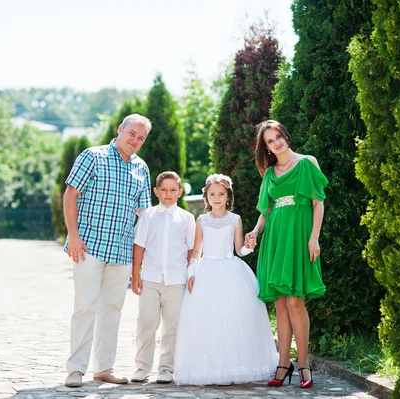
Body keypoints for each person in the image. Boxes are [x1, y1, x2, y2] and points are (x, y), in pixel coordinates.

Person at [63, 114, 152, 387]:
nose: (135, 140)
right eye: (131, 134)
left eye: (141, 138)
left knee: (112, 309)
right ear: (120, 130)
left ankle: (103, 368)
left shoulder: (142, 168)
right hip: (89, 245)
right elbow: (70, 194)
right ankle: (75, 370)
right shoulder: (93, 156)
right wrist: (73, 235)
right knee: (85, 306)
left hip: (123, 250)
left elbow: (144, 213)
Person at [245, 120, 328, 389]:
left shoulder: (307, 163)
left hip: (300, 236)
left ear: (286, 135)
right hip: (276, 239)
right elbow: (265, 211)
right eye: (270, 141)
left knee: (295, 301)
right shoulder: (270, 173)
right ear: (266, 147)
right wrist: (255, 232)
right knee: (280, 304)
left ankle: (303, 364)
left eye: (278, 136)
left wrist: (314, 237)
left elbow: (318, 203)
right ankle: (283, 364)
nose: (276, 142)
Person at [173, 174, 278, 386]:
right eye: (212, 194)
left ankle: (233, 366)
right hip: (207, 272)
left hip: (232, 271)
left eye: (221, 194)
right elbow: (196, 251)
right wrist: (191, 273)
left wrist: (249, 246)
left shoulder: (235, 219)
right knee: (209, 320)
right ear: (207, 197)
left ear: (228, 195)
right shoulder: (201, 220)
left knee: (232, 319)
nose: (217, 198)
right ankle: (212, 367)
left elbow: (239, 250)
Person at [130, 171, 196, 384]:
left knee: (172, 326)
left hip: (176, 280)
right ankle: (142, 367)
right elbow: (139, 245)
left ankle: (167, 369)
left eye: (173, 190)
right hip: (150, 277)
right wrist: (135, 274)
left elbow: (191, 250)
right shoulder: (147, 216)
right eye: (164, 190)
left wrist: (190, 275)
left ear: (180, 192)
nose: (168, 194)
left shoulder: (187, 218)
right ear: (156, 191)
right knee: (146, 322)